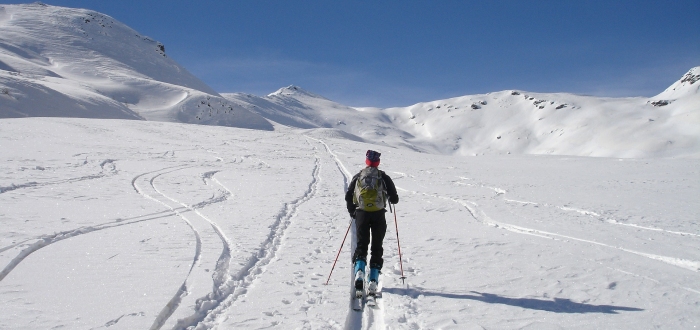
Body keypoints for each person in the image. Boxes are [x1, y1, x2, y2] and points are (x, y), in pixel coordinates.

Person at [345, 150, 399, 294]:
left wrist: (353, 212)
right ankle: (373, 280)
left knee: (362, 245)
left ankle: (359, 273)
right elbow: (395, 199)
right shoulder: (383, 177)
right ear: (378, 163)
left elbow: (349, 195)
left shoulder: (358, 176)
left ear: (366, 161)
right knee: (377, 246)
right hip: (378, 215)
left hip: (362, 214)